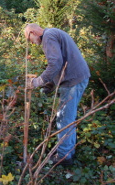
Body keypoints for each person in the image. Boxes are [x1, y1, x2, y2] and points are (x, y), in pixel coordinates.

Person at [24, 23, 90, 166]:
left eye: (29, 39)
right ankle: (68, 152)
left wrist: (37, 82)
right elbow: (61, 64)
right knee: (69, 117)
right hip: (77, 78)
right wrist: (49, 86)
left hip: (73, 81)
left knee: (64, 119)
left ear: (33, 32)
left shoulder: (48, 36)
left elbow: (55, 63)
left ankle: (64, 157)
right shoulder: (53, 33)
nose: (32, 43)